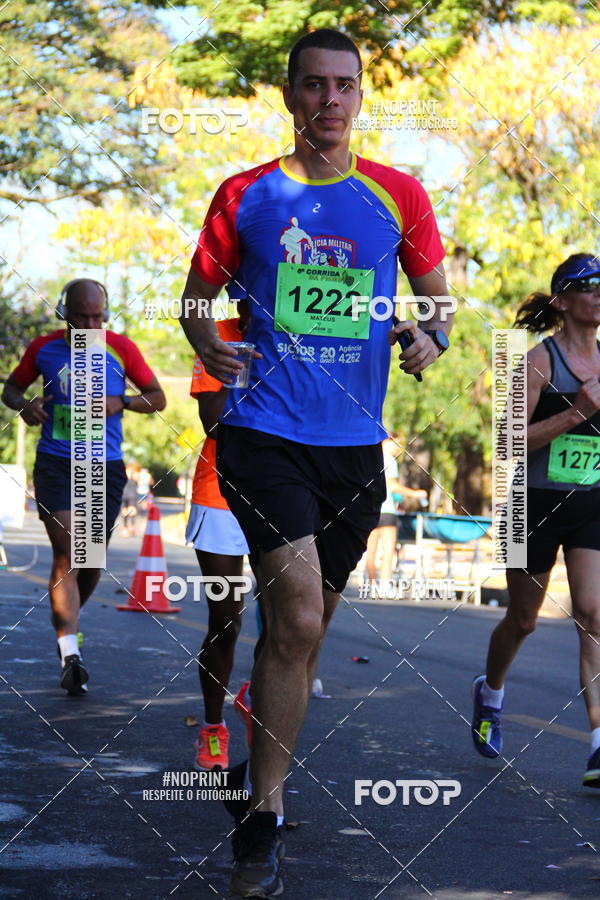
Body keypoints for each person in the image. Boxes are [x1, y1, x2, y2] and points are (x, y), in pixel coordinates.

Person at [179, 28, 452, 897]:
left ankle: (261, 759)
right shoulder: (247, 195)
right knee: (294, 618)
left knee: (302, 632)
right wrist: (205, 344)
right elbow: (196, 295)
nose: (329, 101)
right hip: (263, 436)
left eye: (344, 86)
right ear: (289, 95)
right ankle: (264, 814)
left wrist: (429, 336)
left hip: (353, 453)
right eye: (313, 86)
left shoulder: (398, 196)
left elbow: (439, 301)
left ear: (360, 95)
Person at [471, 253, 600, 788]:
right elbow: (507, 443)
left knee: (594, 614)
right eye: (589, 285)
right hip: (530, 503)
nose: (599, 293)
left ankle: (598, 744)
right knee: (522, 619)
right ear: (562, 300)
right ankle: (491, 693)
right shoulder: (536, 363)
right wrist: (577, 411)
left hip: (590, 501)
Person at [2, 279, 166, 695]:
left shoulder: (121, 349)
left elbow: (157, 397)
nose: (91, 324)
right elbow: (11, 390)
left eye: (98, 316)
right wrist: (27, 406)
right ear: (64, 312)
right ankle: (69, 652)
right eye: (81, 316)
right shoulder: (43, 348)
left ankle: (68, 621)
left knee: (90, 561)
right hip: (57, 461)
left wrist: (123, 402)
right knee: (69, 547)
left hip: (104, 466)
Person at [186, 302, 256, 771]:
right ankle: (213, 727)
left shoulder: (313, 335)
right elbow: (213, 420)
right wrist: (251, 366)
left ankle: (262, 693)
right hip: (221, 492)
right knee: (226, 622)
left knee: (287, 624)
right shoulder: (220, 337)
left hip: (290, 493)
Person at [365, 435, 427, 588]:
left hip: (370, 509)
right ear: (387, 441)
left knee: (370, 551)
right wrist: (416, 493)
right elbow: (392, 486)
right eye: (396, 443)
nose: (399, 448)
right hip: (386, 510)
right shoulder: (389, 460)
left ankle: (371, 585)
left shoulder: (370, 458)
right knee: (388, 550)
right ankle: (385, 585)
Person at [121, 463, 140, 536]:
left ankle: (132, 527)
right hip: (124, 494)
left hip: (132, 494)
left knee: (132, 511)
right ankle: (125, 528)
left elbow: (139, 483)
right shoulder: (123, 474)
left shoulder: (135, 476)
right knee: (125, 511)